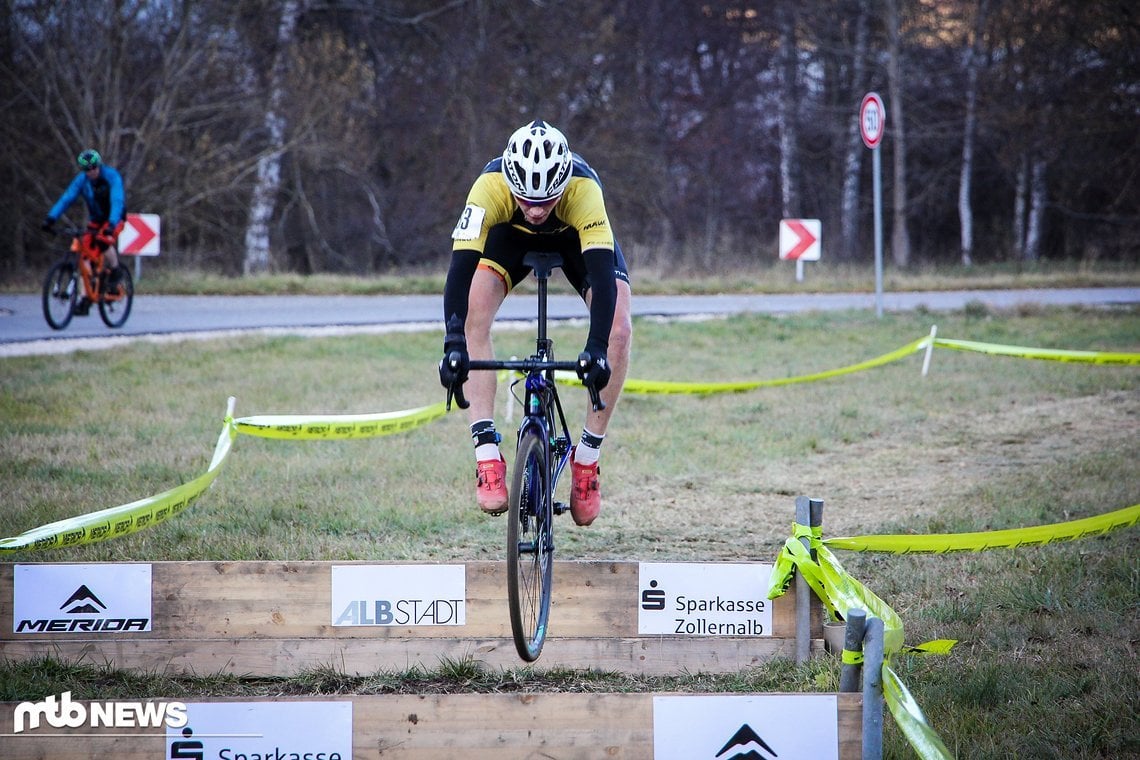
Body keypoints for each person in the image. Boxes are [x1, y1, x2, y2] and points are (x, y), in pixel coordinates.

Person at [438, 119, 633, 527]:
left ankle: (587, 461)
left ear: (562, 183)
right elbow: (459, 269)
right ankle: (487, 455)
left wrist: (597, 348)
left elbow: (601, 276)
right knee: (474, 314)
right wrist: (452, 342)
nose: (538, 209)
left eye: (547, 199)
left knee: (619, 328)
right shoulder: (488, 188)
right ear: (511, 182)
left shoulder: (584, 190)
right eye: (527, 199)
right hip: (510, 238)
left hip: (574, 239)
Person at [42, 149, 127, 293]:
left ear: (99, 165)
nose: (91, 172)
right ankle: (86, 297)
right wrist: (51, 218)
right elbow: (66, 199)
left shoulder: (111, 176)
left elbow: (117, 200)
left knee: (103, 241)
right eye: (87, 169)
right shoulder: (82, 180)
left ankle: (116, 270)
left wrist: (112, 224)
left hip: (115, 218)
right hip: (96, 220)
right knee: (84, 254)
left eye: (94, 167)